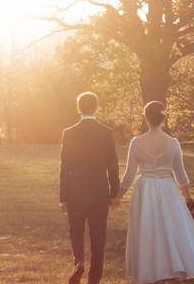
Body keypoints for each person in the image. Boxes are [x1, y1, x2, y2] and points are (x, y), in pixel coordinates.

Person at [112, 101, 194, 284]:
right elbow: (180, 174)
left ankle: (152, 271)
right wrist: (188, 197)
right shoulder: (173, 143)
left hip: (144, 189)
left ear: (145, 117)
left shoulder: (136, 143)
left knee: (148, 230)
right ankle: (172, 271)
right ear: (164, 117)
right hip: (167, 188)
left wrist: (118, 196)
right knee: (170, 229)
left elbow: (129, 174)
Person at [59, 92, 120, 284]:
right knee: (98, 237)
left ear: (79, 108)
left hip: (76, 193)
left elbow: (64, 167)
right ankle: (94, 279)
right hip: (99, 193)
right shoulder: (106, 133)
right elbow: (113, 165)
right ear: (96, 107)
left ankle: (79, 262)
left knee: (75, 232)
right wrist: (114, 194)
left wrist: (63, 196)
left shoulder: (69, 133)